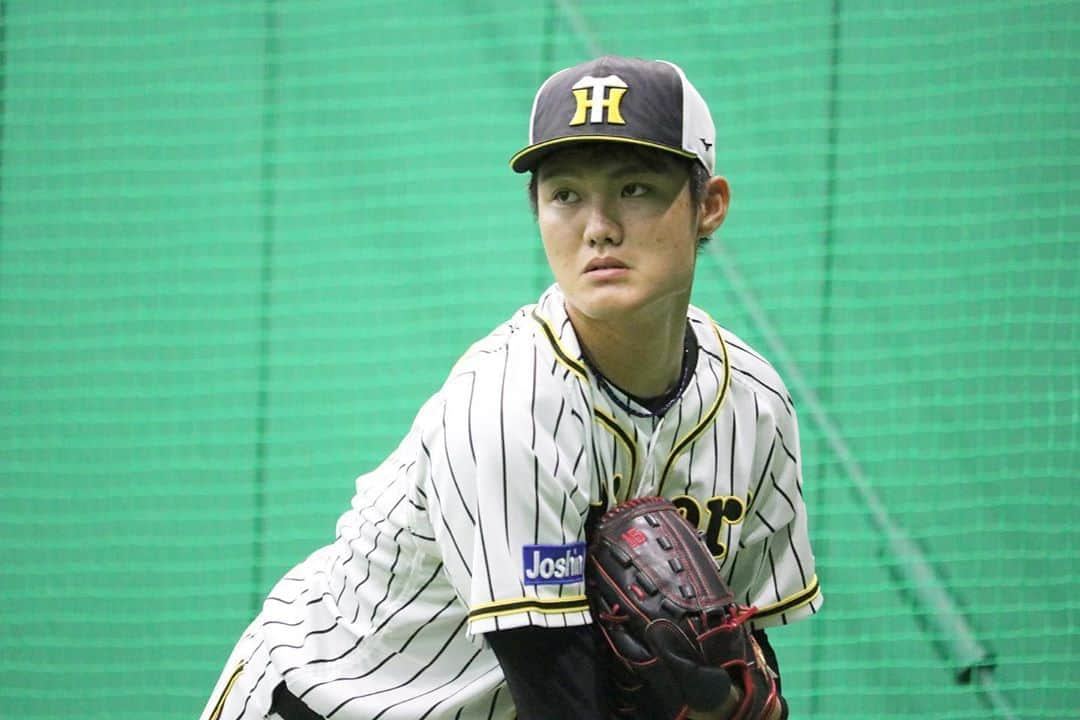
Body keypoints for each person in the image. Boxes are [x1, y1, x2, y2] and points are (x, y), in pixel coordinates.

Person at [200, 55, 822, 720]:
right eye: (565, 195)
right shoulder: (512, 404)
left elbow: (741, 643)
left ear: (710, 206)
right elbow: (559, 696)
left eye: (635, 189)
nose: (598, 227)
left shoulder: (753, 403)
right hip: (324, 701)